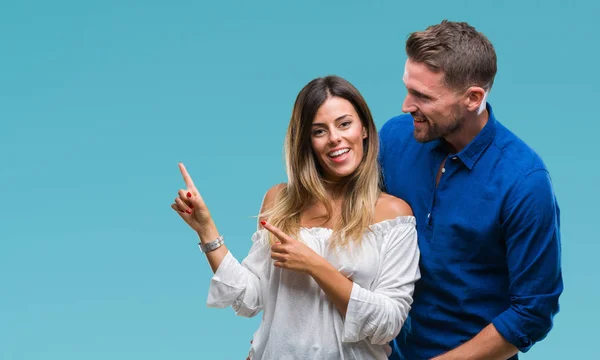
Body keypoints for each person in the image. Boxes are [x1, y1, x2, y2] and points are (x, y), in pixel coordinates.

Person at [171, 75, 421, 359]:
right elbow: (250, 298)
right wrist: (206, 230)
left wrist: (315, 265)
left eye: (344, 123)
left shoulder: (392, 214)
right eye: (319, 131)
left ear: (364, 129)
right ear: (306, 142)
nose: (335, 138)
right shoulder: (280, 201)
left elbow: (387, 324)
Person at [379, 20, 563, 360]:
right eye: (408, 89)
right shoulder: (393, 138)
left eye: (422, 96)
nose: (407, 105)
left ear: (473, 98)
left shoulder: (525, 183)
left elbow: (532, 313)